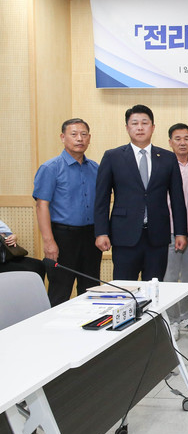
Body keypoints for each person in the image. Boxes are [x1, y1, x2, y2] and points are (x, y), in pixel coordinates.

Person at [94, 105, 188, 281]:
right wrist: (101, 232)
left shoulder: (167, 158)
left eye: (145, 123)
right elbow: (102, 199)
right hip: (124, 235)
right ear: (127, 127)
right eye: (135, 123)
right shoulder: (113, 157)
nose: (140, 127)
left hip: (158, 236)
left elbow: (177, 199)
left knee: (154, 288)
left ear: (153, 127)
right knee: (124, 287)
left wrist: (181, 232)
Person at [32, 118, 101, 305]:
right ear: (63, 137)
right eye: (74, 134)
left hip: (91, 236)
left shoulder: (95, 168)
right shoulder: (50, 168)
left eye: (84, 134)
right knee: (60, 291)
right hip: (63, 237)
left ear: (89, 138)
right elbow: (41, 206)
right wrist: (49, 242)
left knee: (91, 289)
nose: (79, 139)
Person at [161, 123, 188, 340]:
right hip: (169, 230)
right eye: (177, 139)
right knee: (169, 277)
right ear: (170, 142)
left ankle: (186, 317)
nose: (182, 142)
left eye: (186, 138)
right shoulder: (164, 166)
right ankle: (172, 320)